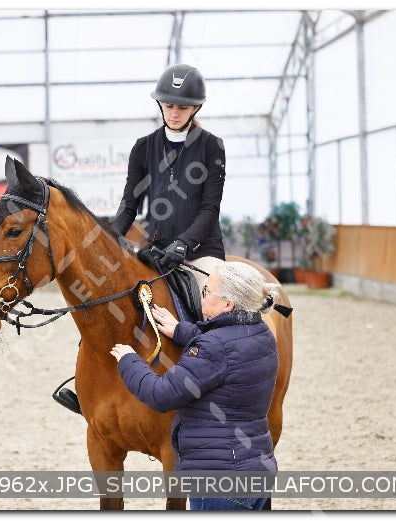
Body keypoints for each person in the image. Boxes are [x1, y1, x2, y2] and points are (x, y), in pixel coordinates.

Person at [110, 261, 279, 511]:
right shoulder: (261, 332)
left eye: (206, 291)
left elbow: (161, 395)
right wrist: (181, 331)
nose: (202, 295)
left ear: (228, 304)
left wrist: (129, 361)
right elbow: (227, 349)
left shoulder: (213, 348)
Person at [111, 63, 227, 289]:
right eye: (169, 105)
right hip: (158, 251)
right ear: (160, 104)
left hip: (200, 252)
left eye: (182, 108)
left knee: (214, 299)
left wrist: (184, 243)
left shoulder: (212, 146)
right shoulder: (143, 147)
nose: (174, 113)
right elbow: (129, 206)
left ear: (196, 108)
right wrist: (111, 236)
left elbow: (210, 209)